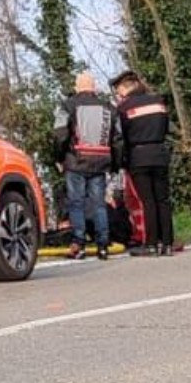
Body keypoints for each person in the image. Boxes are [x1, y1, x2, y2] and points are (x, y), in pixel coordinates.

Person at [52, 70, 115, 261]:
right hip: (100, 161)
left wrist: (58, 157)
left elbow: (60, 134)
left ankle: (78, 245)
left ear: (77, 87)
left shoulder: (67, 106)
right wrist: (115, 163)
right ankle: (103, 245)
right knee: (99, 205)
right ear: (94, 87)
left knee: (76, 204)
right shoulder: (108, 108)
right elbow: (117, 137)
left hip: (75, 161)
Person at [112, 70, 174, 256]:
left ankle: (151, 244)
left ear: (125, 87)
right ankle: (168, 243)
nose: (118, 95)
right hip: (160, 153)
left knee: (147, 202)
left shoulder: (124, 108)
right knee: (162, 200)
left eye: (119, 90)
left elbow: (120, 137)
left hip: (138, 157)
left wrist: (119, 162)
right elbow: (166, 128)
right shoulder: (158, 102)